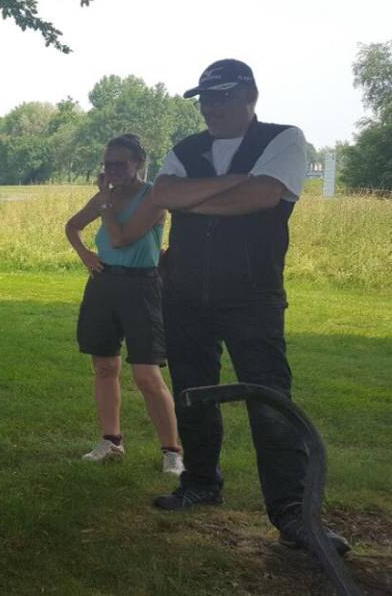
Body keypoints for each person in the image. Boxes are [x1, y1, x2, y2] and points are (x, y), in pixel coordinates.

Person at [148, 59, 349, 554]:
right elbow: (163, 194)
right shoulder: (185, 148)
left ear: (249, 96)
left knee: (270, 400)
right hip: (185, 294)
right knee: (193, 391)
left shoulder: (284, 139)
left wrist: (193, 199)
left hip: (253, 297)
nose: (210, 108)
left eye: (221, 97)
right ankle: (200, 482)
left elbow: (262, 196)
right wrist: (231, 185)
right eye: (205, 100)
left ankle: (292, 512)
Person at [64, 134, 183, 474]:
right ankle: (111, 441)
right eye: (108, 164)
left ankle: (172, 451)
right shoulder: (107, 197)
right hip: (103, 284)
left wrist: (105, 202)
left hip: (141, 286)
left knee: (146, 374)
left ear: (139, 164)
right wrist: (86, 255)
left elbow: (121, 237)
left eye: (120, 164)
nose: (112, 170)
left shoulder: (153, 197)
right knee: (104, 366)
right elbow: (72, 226)